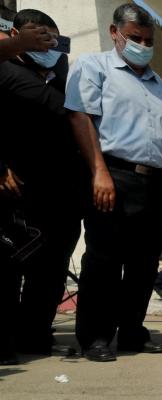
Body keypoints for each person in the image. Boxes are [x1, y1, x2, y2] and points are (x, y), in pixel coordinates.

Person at [65, 3, 162, 362]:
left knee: (144, 263)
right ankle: (95, 336)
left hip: (155, 182)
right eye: (134, 38)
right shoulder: (94, 67)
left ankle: (131, 332)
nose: (142, 45)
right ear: (115, 33)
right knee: (104, 260)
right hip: (112, 174)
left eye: (148, 40)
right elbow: (81, 117)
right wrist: (99, 171)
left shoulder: (161, 87)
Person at [0, 9, 87, 365]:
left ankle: (35, 335)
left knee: (51, 271)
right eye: (40, 38)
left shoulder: (65, 76)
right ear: (19, 36)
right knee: (9, 268)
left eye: (53, 38)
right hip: (17, 190)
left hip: (62, 192)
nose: (48, 45)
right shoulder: (5, 71)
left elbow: (80, 123)